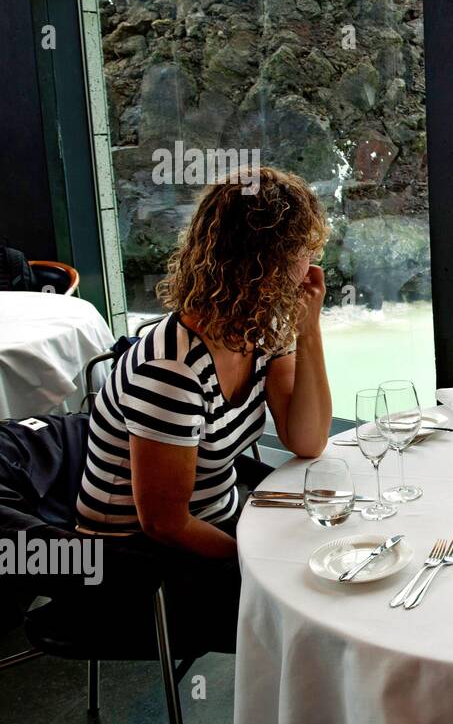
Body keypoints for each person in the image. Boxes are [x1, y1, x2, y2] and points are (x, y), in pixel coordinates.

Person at [77, 167, 332, 567]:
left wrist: (308, 330)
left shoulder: (260, 332)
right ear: (265, 265)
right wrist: (259, 570)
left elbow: (307, 440)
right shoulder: (171, 370)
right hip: (136, 559)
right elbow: (165, 524)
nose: (312, 267)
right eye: (305, 252)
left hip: (222, 518)